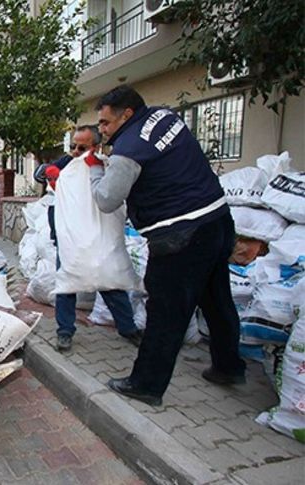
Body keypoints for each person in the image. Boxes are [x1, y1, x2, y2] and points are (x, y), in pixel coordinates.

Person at [86, 85, 245, 406]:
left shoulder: (127, 150)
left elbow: (106, 199)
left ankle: (146, 384)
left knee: (165, 313)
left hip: (179, 238)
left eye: (105, 123)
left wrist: (95, 171)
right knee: (217, 300)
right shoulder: (164, 116)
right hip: (217, 222)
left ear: (127, 114)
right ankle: (229, 367)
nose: (100, 129)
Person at [34, 125, 142, 352]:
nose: (74, 151)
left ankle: (128, 328)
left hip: (99, 237)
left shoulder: (105, 166)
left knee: (109, 281)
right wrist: (50, 174)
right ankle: (65, 331)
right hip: (71, 240)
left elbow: (110, 197)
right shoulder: (67, 163)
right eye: (72, 146)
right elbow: (42, 173)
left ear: (96, 146)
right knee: (67, 285)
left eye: (81, 147)